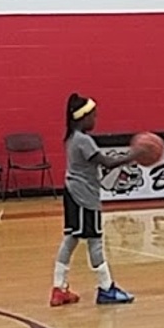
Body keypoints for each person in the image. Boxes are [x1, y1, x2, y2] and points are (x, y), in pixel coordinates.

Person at [50, 93, 138, 307]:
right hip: (84, 197)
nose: (95, 120)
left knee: (71, 239)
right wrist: (134, 155)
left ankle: (59, 288)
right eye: (93, 116)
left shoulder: (72, 138)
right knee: (95, 241)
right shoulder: (83, 140)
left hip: (72, 193)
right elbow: (107, 162)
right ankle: (106, 288)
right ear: (83, 117)